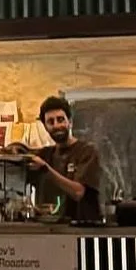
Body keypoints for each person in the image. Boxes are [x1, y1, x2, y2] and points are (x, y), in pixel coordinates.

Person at [18, 95, 103, 224]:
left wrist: (46, 169)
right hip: (52, 229)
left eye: (60, 119)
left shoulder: (87, 152)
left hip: (82, 230)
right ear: (45, 127)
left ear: (70, 122)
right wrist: (13, 149)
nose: (56, 125)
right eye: (50, 122)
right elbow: (24, 153)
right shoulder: (46, 154)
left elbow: (78, 192)